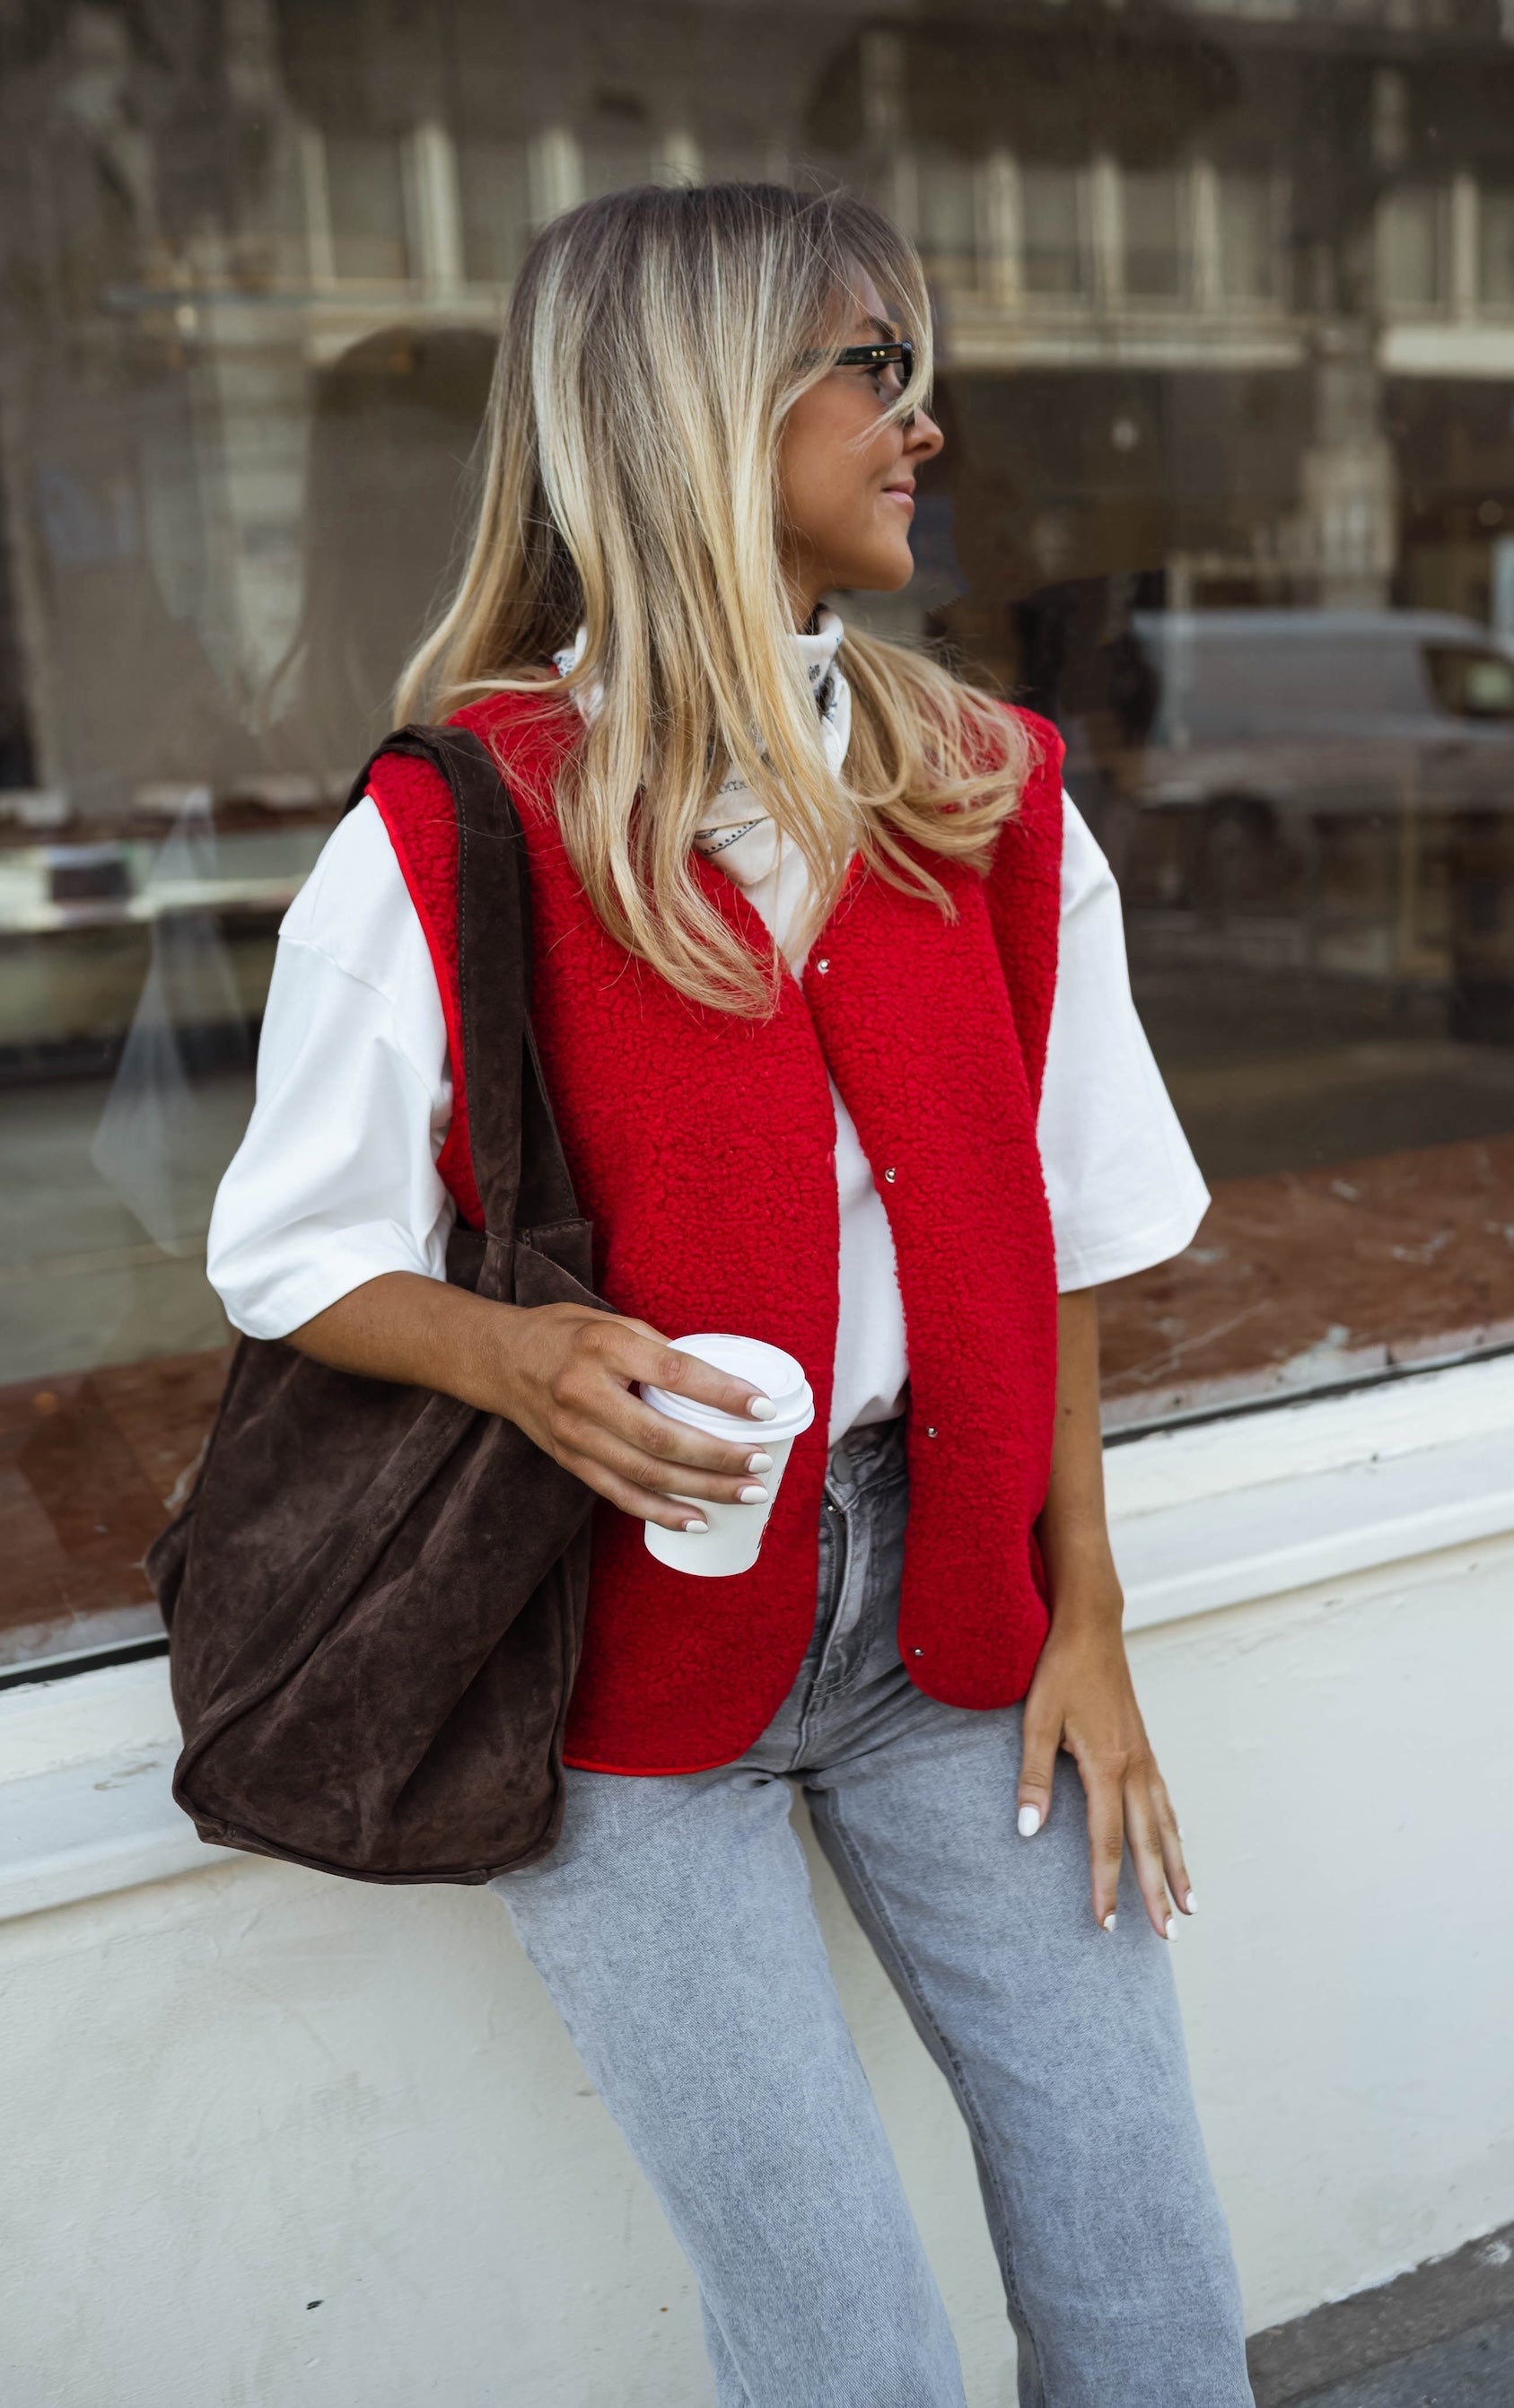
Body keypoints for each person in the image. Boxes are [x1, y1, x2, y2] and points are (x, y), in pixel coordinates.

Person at [206, 183, 1254, 2407]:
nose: (922, 424)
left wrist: (1088, 1612)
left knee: (1142, 2241)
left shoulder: (988, 793)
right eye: (873, 368)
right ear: (696, 409)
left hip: (956, 1625)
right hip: (612, 1656)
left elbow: (1062, 1235)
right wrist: (514, 1356)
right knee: (840, 2338)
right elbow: (289, 1253)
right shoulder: (462, 822)